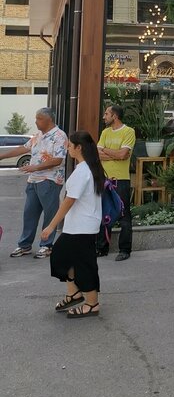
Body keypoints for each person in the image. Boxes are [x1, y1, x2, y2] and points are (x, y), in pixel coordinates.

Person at [41, 130, 104, 318]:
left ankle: (92, 304)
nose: (68, 148)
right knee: (62, 257)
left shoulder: (84, 170)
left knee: (83, 264)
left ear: (79, 148)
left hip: (81, 227)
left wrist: (51, 225)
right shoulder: (88, 168)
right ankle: (74, 293)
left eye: (70, 145)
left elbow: (69, 200)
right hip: (79, 226)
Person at [0, 107, 67, 259]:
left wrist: (34, 167)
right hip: (33, 180)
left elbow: (58, 160)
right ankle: (24, 245)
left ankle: (46, 246)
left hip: (49, 180)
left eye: (38, 119)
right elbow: (23, 148)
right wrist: (2, 157)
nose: (35, 121)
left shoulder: (59, 136)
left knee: (50, 215)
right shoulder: (38, 136)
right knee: (29, 214)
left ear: (48, 120)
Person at [95, 104, 136, 261]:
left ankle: (125, 249)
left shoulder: (128, 132)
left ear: (115, 116)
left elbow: (124, 154)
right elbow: (98, 154)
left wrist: (106, 151)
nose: (104, 116)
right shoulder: (105, 132)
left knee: (123, 214)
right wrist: (115, 154)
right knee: (104, 213)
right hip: (105, 179)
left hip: (121, 179)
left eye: (106, 114)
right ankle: (101, 248)